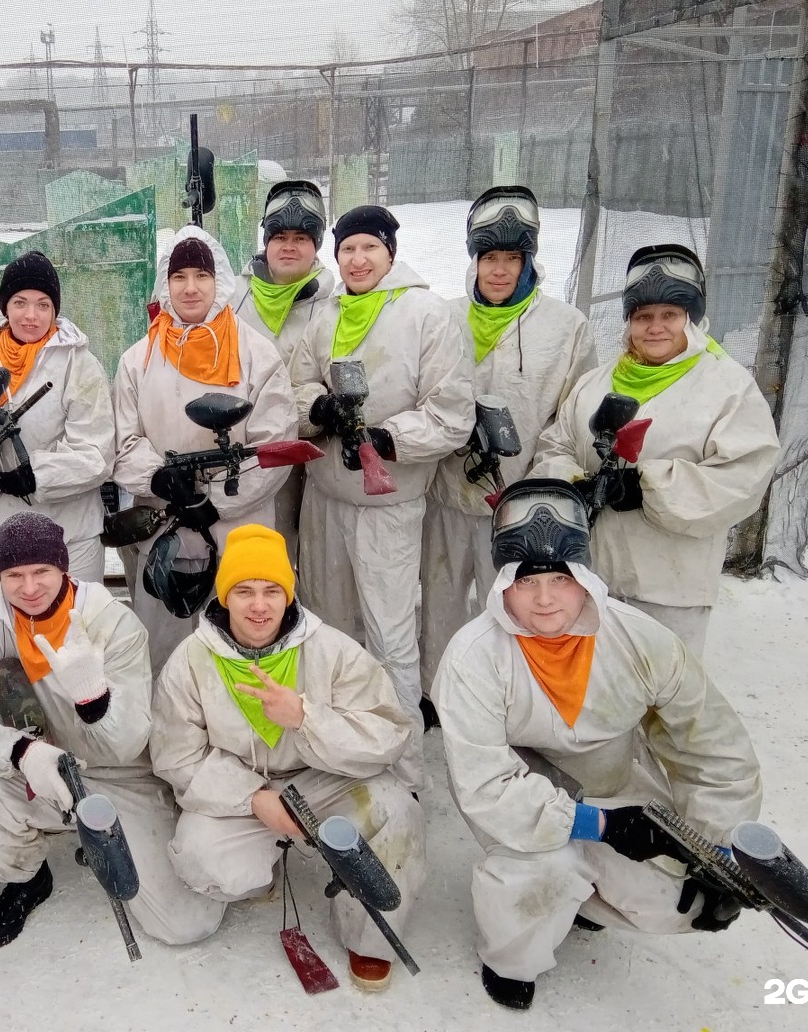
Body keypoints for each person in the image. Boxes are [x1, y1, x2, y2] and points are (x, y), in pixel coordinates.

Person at [433, 478, 762, 1010]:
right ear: (503, 584)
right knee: (543, 869)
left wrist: (718, 849)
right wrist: (601, 828)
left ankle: (586, 896)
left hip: (611, 782)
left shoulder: (640, 638)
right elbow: (487, 785)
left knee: (679, 901)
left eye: (560, 579)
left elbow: (712, 746)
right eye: (526, 580)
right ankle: (512, 957)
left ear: (584, 578)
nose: (543, 599)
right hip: (518, 793)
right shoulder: (472, 658)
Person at [151, 524, 426, 992]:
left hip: (324, 780)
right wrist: (255, 799)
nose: (259, 606)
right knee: (198, 857)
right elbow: (176, 757)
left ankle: (368, 938)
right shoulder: (190, 661)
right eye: (244, 591)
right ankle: (261, 872)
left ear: (287, 593)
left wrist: (306, 717)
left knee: (396, 811)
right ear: (223, 597)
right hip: (242, 792)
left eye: (271, 590)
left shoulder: (332, 649)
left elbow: (389, 732)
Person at [0, 512, 224, 947]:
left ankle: (136, 835)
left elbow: (129, 744)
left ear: (64, 568)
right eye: (14, 575)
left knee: (186, 924)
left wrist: (95, 701)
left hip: (117, 774)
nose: (29, 588)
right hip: (35, 770)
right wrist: (22, 753)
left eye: (41, 572)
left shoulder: (113, 622)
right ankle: (27, 877)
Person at [288, 205, 474, 792]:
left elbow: (451, 415)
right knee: (327, 626)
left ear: (390, 252)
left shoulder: (426, 315)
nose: (358, 260)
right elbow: (295, 384)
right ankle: (333, 749)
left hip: (389, 507)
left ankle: (400, 769)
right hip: (323, 500)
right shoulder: (326, 315)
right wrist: (319, 409)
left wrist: (386, 439)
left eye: (370, 247)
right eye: (347, 250)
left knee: (391, 636)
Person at [531, 245, 779, 656]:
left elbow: (744, 475)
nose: (655, 327)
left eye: (670, 315)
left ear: (691, 319)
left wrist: (649, 488)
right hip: (591, 574)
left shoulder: (726, 387)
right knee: (599, 686)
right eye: (643, 316)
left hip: (671, 584)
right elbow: (555, 445)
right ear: (628, 322)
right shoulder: (595, 383)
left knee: (666, 694)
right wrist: (571, 483)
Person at [420, 186, 596, 719]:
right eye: (489, 258)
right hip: (447, 494)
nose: (499, 271)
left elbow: (569, 418)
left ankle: (512, 699)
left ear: (529, 261)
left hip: (520, 505)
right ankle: (439, 692)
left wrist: (538, 483)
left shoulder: (565, 329)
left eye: (511, 259)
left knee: (517, 606)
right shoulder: (443, 319)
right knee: (442, 602)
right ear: (474, 261)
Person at [112, 226, 295, 670]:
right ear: (165, 284)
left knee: (242, 639)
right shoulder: (138, 359)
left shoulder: (255, 353)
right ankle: (172, 738)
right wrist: (159, 478)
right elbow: (123, 440)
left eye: (201, 275)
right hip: (165, 523)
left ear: (220, 282)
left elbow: (275, 446)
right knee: (166, 646)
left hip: (240, 526)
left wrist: (210, 504)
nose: (190, 288)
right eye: (179, 277)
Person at [0, 251, 114, 583]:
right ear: (5, 307)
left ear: (54, 310)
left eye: (43, 304)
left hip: (72, 534)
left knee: (79, 625)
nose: (31, 315)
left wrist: (37, 475)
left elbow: (97, 454)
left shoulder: (80, 365)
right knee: (16, 629)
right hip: (4, 534)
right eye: (20, 302)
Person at [230, 180, 336, 559]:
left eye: (301, 238)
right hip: (247, 456)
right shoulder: (235, 298)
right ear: (266, 241)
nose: (288, 246)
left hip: (311, 462)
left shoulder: (334, 305)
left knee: (305, 561)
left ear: (317, 245)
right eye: (279, 236)